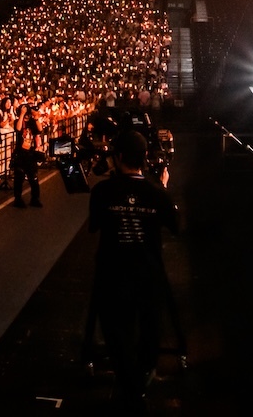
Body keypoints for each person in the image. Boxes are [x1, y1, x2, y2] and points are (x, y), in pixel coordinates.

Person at [88, 129, 180, 414]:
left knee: (117, 332)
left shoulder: (102, 191)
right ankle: (142, 379)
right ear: (145, 158)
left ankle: (128, 387)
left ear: (117, 158)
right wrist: (163, 187)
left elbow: (94, 226)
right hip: (148, 273)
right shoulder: (155, 192)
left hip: (112, 273)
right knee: (149, 328)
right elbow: (176, 225)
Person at [12, 104, 45, 208]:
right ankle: (18, 199)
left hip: (30, 153)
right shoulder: (18, 121)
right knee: (19, 177)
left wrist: (36, 118)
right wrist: (21, 115)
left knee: (33, 177)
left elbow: (39, 129)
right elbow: (18, 129)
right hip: (20, 153)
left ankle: (35, 199)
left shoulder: (32, 122)